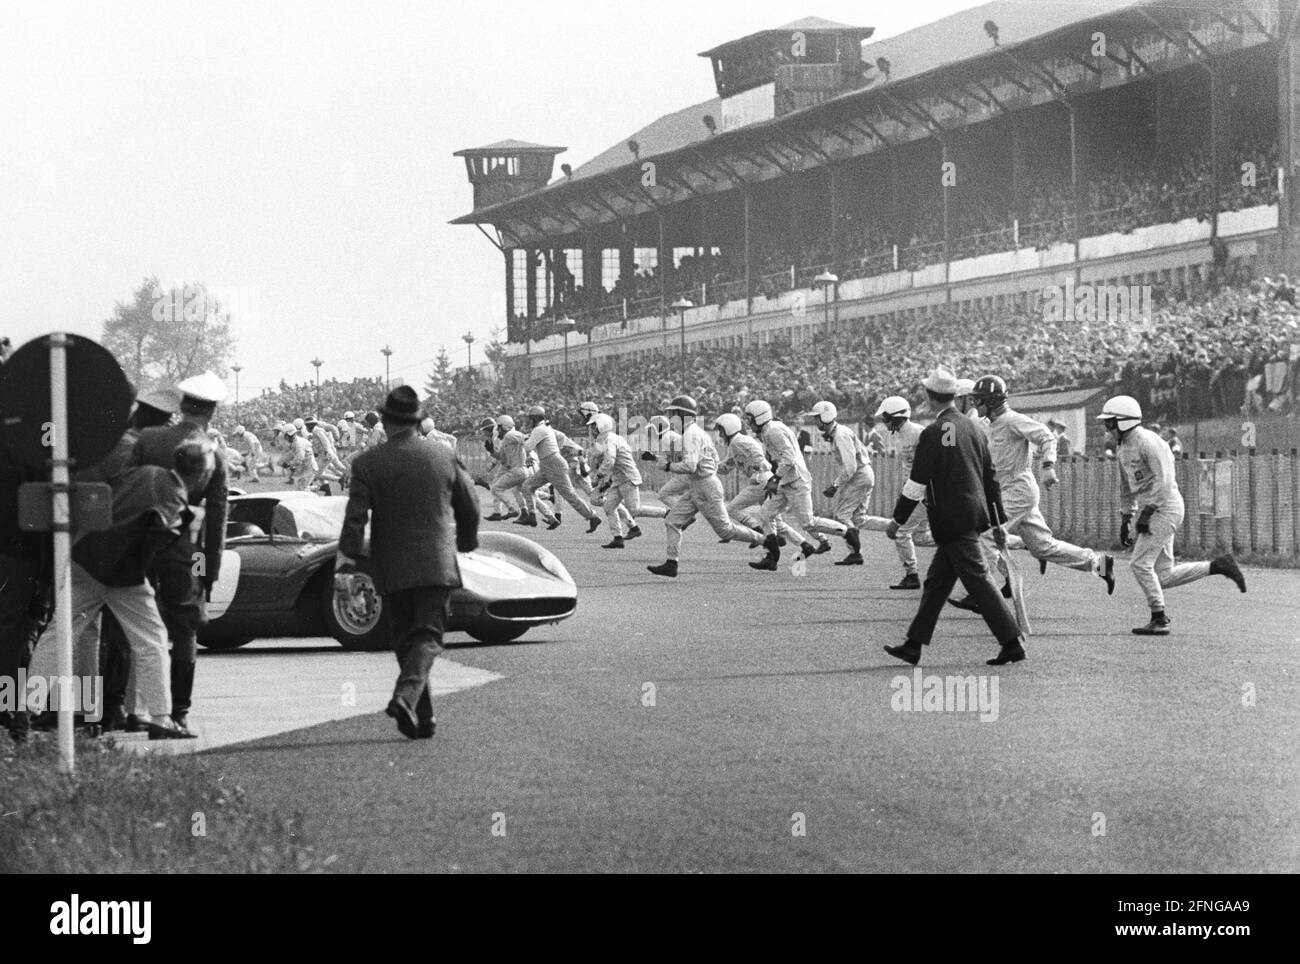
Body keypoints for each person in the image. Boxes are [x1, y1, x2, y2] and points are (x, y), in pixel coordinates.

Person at [337, 386, 479, 740]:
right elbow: (471, 504)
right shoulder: (442, 456)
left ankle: (422, 715)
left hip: (392, 566)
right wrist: (466, 541)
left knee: (405, 640)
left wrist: (346, 567)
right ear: (417, 421)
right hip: (437, 564)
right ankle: (407, 699)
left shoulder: (367, 463)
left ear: (384, 422)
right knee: (428, 637)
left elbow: (354, 520)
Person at [882, 367, 1027, 667]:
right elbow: (991, 479)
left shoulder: (936, 432)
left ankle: (1012, 641)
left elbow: (916, 482)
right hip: (970, 514)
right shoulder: (974, 428)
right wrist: (998, 521)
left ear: (930, 397)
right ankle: (913, 645)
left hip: (951, 518)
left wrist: (897, 520)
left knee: (979, 581)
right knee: (936, 584)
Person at [126, 371, 229, 734]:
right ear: (212, 412)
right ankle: (178, 713)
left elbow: (127, 487)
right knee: (185, 629)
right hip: (188, 551)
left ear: (182, 404)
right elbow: (216, 522)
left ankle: (133, 709)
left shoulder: (149, 438)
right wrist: (209, 573)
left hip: (139, 544)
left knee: (136, 626)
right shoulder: (214, 454)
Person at [954, 375, 1115, 605]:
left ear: (990, 402)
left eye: (978, 401)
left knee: (986, 534)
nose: (974, 405)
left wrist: (1048, 466)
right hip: (1007, 491)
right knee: (1043, 547)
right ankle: (1099, 564)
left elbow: (1047, 437)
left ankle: (984, 594)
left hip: (1017, 490)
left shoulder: (1012, 420)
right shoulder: (985, 424)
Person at [1098, 395, 1245, 635]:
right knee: (1163, 575)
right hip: (1154, 509)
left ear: (1124, 421)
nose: (1107, 428)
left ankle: (1159, 617)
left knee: (1139, 563)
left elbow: (1164, 481)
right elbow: (1126, 487)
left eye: (1110, 423)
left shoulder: (1148, 441)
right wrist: (1126, 516)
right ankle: (1219, 566)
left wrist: (1147, 512)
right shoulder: (1123, 447)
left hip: (1165, 506)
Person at [647, 395, 764, 577]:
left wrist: (668, 465)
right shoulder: (695, 433)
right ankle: (671, 563)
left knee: (725, 531)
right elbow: (714, 459)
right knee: (672, 521)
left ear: (682, 414)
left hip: (705, 486)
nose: (670, 419)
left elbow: (690, 466)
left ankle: (764, 540)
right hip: (699, 484)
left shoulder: (691, 435)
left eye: (673, 414)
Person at [744, 399, 845, 572]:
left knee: (808, 522)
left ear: (760, 418)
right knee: (766, 514)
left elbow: (789, 457)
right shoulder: (770, 430)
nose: (749, 423)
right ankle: (771, 557)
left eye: (750, 419)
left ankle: (846, 531)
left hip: (796, 480)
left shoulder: (773, 431)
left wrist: (775, 478)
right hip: (786, 480)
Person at [714, 413, 814, 553]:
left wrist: (758, 467)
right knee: (775, 522)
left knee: (732, 509)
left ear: (728, 429)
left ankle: (758, 530)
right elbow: (726, 467)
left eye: (721, 430)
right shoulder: (734, 444)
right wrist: (711, 465)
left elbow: (760, 456)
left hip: (761, 480)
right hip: (764, 480)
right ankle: (804, 545)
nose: (719, 435)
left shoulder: (740, 441)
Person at [520, 405, 600, 532]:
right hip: (548, 464)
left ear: (535, 418)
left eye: (530, 418)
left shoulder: (540, 429)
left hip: (553, 464)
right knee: (526, 487)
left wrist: (522, 442)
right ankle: (532, 515)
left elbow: (528, 447)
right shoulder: (543, 429)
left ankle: (592, 516)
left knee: (569, 495)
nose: (528, 421)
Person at [810, 401, 868, 565]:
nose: (815, 422)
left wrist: (835, 485)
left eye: (816, 418)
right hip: (863, 473)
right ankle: (891, 526)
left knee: (842, 515)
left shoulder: (841, 435)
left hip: (859, 475)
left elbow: (850, 467)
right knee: (859, 519)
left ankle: (856, 553)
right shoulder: (838, 433)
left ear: (824, 417)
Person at [587, 413, 642, 549]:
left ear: (602, 426)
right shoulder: (608, 439)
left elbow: (610, 460)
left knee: (635, 510)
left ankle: (666, 513)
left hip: (628, 478)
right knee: (609, 507)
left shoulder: (610, 439)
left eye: (594, 427)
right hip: (618, 480)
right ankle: (618, 538)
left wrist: (598, 476)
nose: (592, 430)